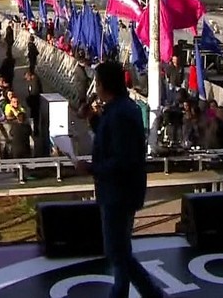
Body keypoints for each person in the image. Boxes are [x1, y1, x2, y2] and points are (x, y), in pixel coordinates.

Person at [75, 61, 162, 298]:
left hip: (119, 193)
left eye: (98, 83)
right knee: (121, 248)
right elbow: (109, 135)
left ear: (105, 85)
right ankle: (121, 291)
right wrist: (92, 118)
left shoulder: (121, 114)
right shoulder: (120, 109)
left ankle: (151, 293)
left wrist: (92, 169)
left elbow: (123, 159)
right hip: (119, 191)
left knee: (117, 252)